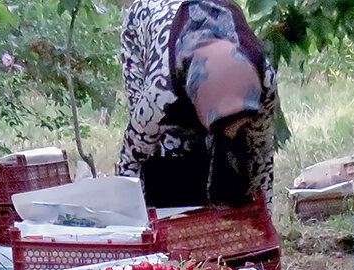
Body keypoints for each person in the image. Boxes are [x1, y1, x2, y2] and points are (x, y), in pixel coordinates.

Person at [116, 0, 278, 209]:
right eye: (229, 127)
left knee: (236, 152)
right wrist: (132, 225)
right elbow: (131, 160)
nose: (237, 130)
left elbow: (262, 155)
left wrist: (263, 220)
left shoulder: (263, 79)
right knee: (171, 155)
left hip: (204, 68)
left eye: (243, 124)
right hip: (146, 32)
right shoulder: (159, 95)